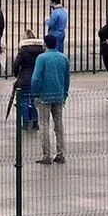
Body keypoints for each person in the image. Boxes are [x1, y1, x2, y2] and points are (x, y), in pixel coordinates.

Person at [31, 35, 71, 165]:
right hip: (58, 95)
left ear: (45, 44)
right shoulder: (63, 58)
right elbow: (67, 78)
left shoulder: (41, 58)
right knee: (58, 124)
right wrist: (64, 93)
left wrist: (35, 92)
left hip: (44, 95)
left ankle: (46, 154)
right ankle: (60, 153)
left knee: (44, 124)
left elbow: (36, 78)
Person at [10, 28, 45, 132]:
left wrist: (17, 75)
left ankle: (25, 121)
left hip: (24, 78)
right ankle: (35, 122)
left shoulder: (23, 51)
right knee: (34, 101)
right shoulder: (41, 51)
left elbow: (16, 65)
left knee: (24, 100)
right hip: (37, 78)